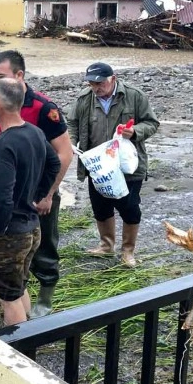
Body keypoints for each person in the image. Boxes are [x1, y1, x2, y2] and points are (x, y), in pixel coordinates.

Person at [0, 50, 73, 318]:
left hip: (18, 210)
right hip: (20, 206)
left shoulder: (44, 109)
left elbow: (63, 154)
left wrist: (46, 194)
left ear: (18, 77)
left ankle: (29, 327)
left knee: (29, 268)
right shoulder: (23, 127)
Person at [0, 78, 61, 326]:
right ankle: (30, 332)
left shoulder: (4, 145)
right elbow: (54, 164)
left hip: (10, 235)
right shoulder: (35, 132)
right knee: (19, 284)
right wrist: (37, 196)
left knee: (9, 297)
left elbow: (2, 195)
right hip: (31, 227)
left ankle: (18, 351)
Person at [67, 62, 159, 267]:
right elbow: (72, 122)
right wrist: (71, 143)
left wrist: (135, 131)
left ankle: (128, 251)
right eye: (92, 83)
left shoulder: (134, 95)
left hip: (127, 165)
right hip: (98, 164)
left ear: (113, 79)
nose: (96, 87)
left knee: (130, 208)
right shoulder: (84, 98)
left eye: (100, 83)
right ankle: (107, 246)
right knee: (100, 206)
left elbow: (152, 123)